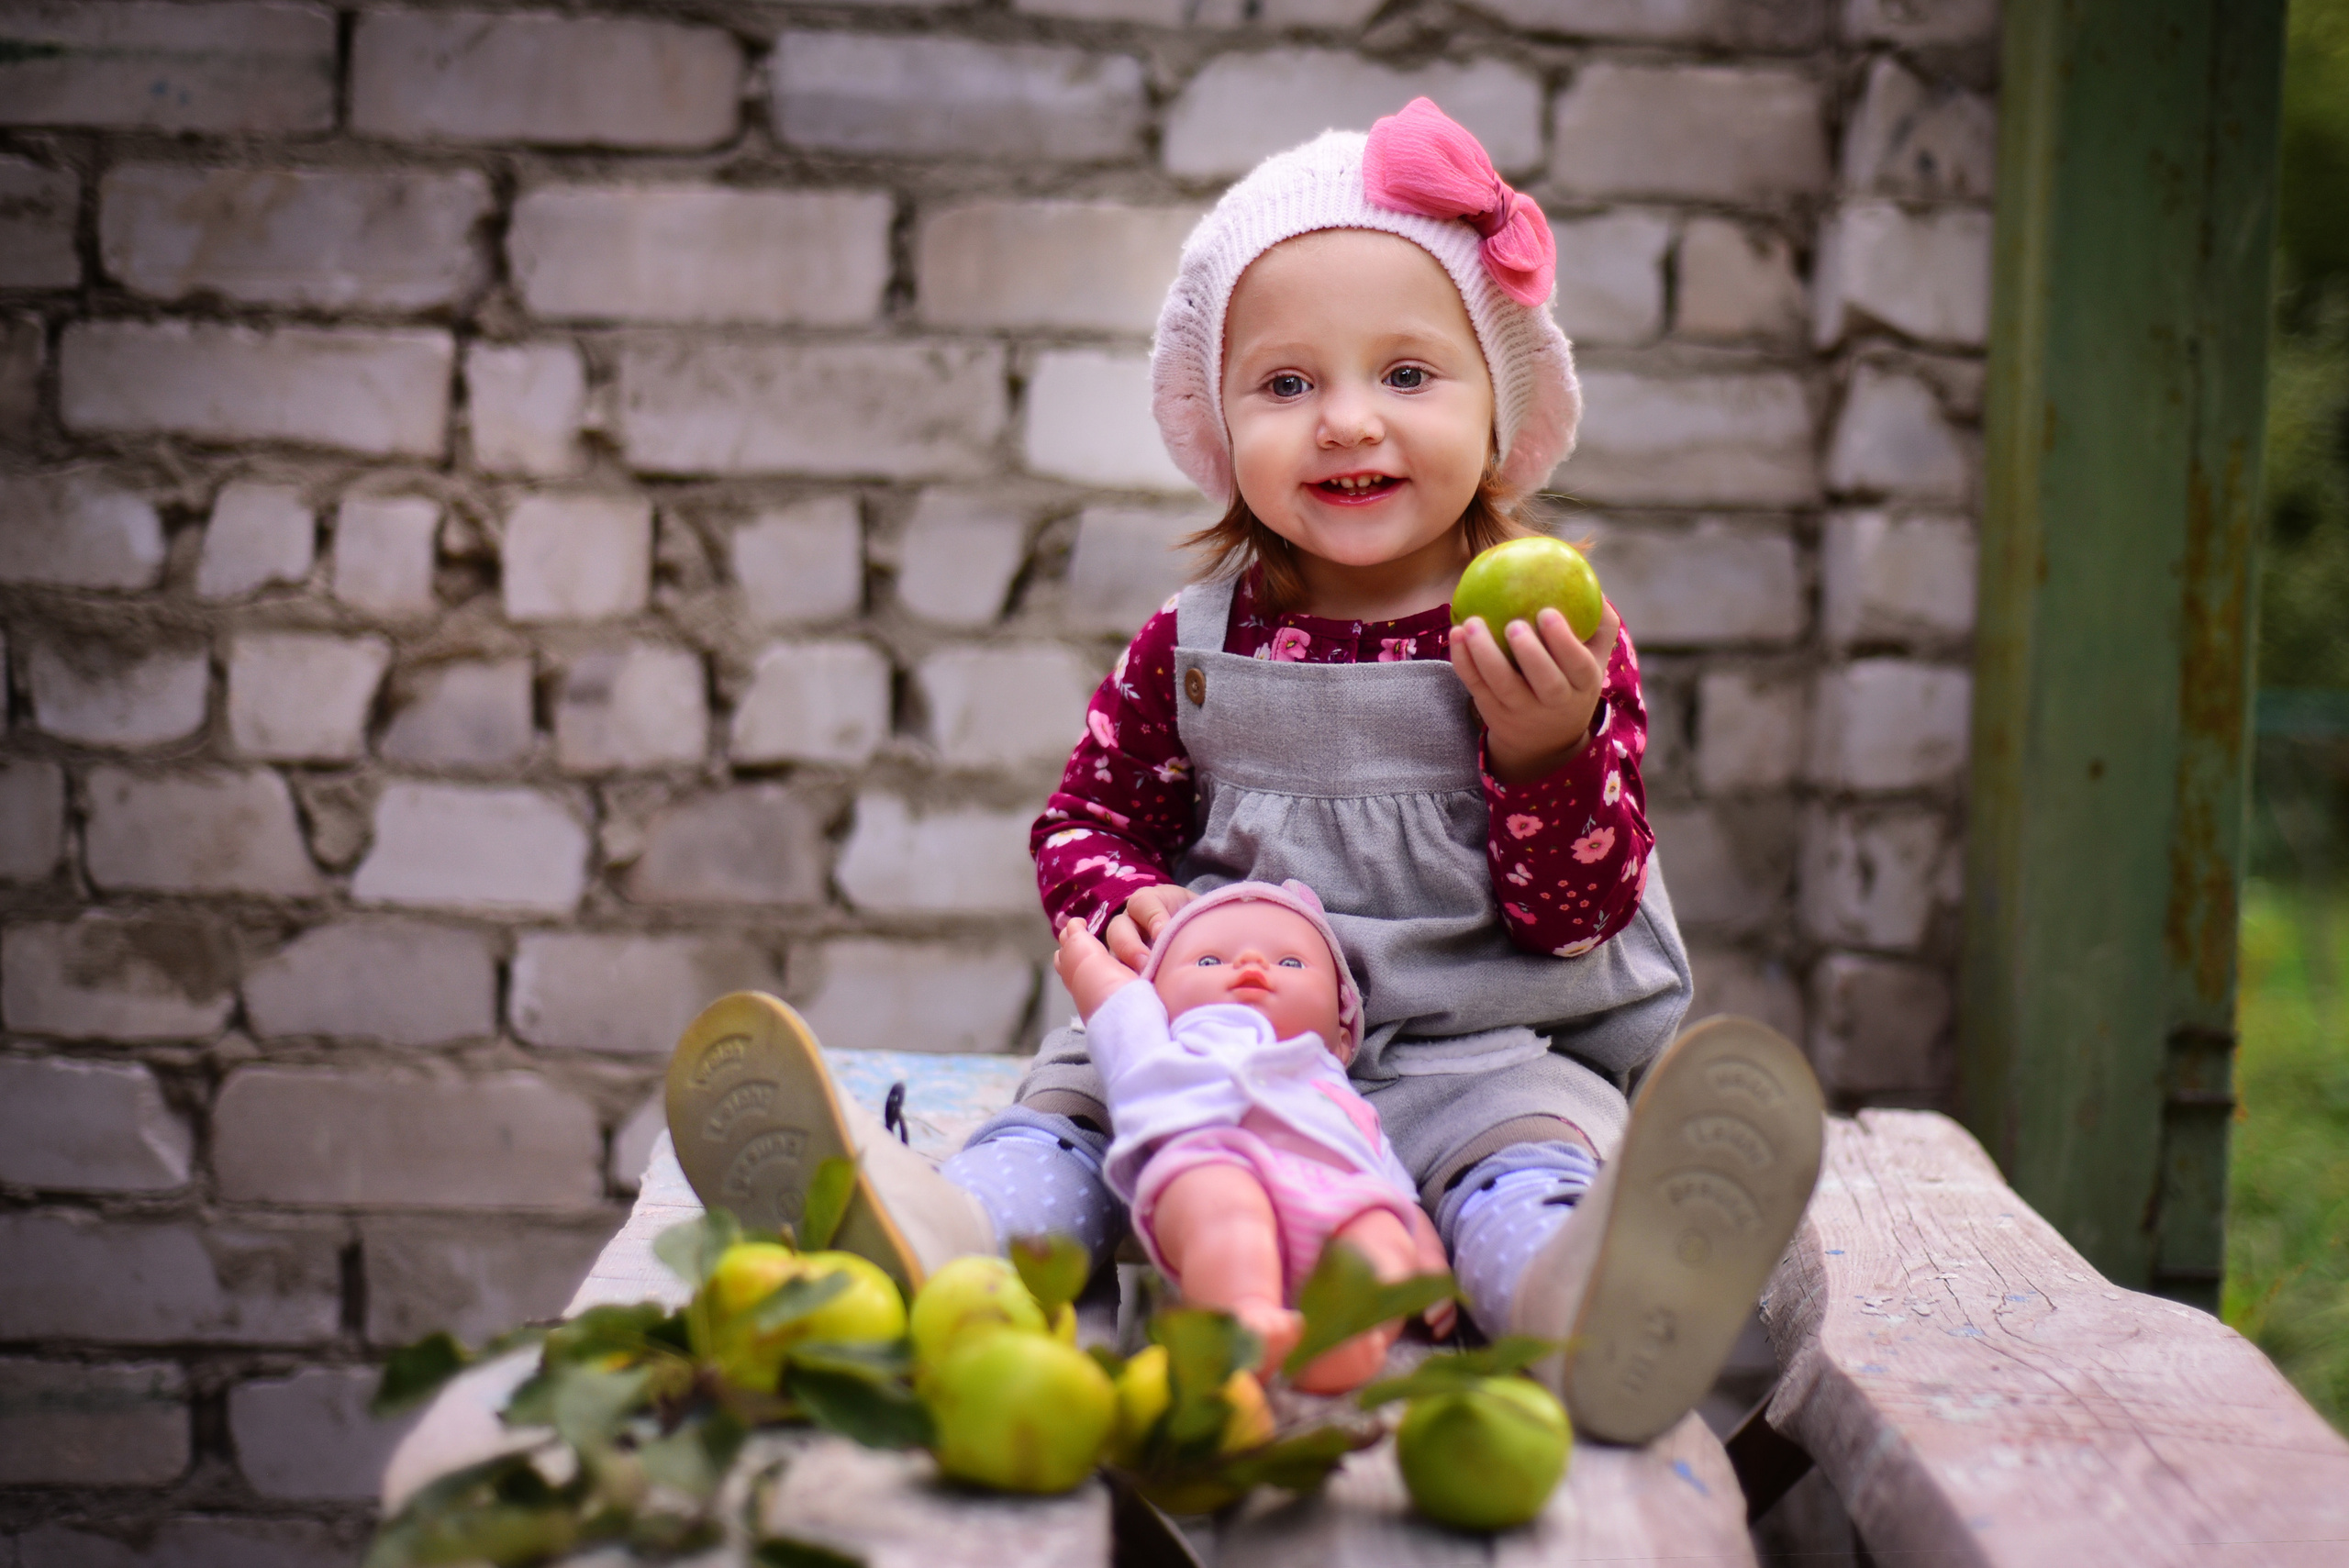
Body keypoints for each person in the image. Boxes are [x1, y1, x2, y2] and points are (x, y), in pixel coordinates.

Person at [666, 97, 1823, 1446]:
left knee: (1519, 1169)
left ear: (1499, 408)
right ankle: (937, 1234)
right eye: (1286, 384)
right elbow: (1085, 818)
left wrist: (1543, 748)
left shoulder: (1549, 637)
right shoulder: (1193, 641)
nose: (1345, 422)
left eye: (1406, 374)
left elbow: (1578, 919)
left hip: (1475, 1056)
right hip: (1216, 1043)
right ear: (1218, 425)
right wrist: (1124, 901)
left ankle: (1580, 1298)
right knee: (1078, 1115)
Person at [1054, 878, 1451, 1393]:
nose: (1249, 965)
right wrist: (1085, 956)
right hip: (1211, 1162)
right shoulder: (1172, 1045)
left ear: (1344, 1035)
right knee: (1226, 1213)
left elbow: (1384, 1174)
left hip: (1339, 1195)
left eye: (1290, 964)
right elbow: (1117, 1002)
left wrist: (1422, 1250)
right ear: (1159, 1000)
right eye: (1208, 961)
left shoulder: (1332, 1085)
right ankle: (1242, 1316)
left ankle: (1347, 1335)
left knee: (1380, 1235)